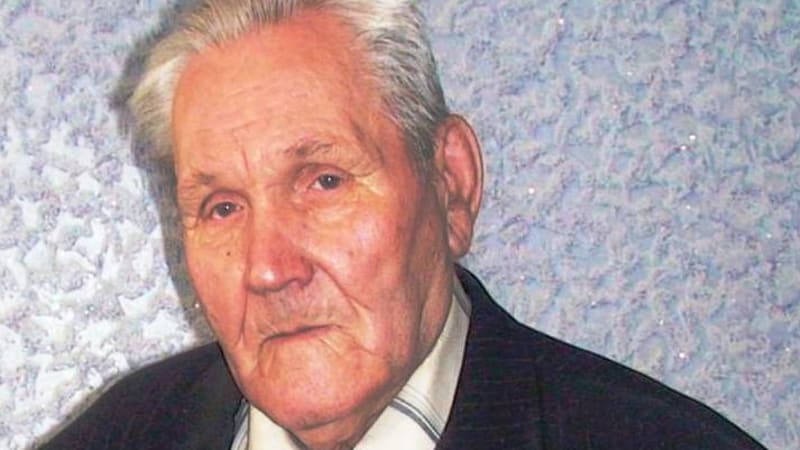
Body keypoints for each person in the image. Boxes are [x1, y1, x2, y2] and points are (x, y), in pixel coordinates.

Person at [42, 1, 767, 449]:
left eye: (324, 181)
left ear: (451, 185)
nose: (268, 268)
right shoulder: (113, 438)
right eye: (223, 207)